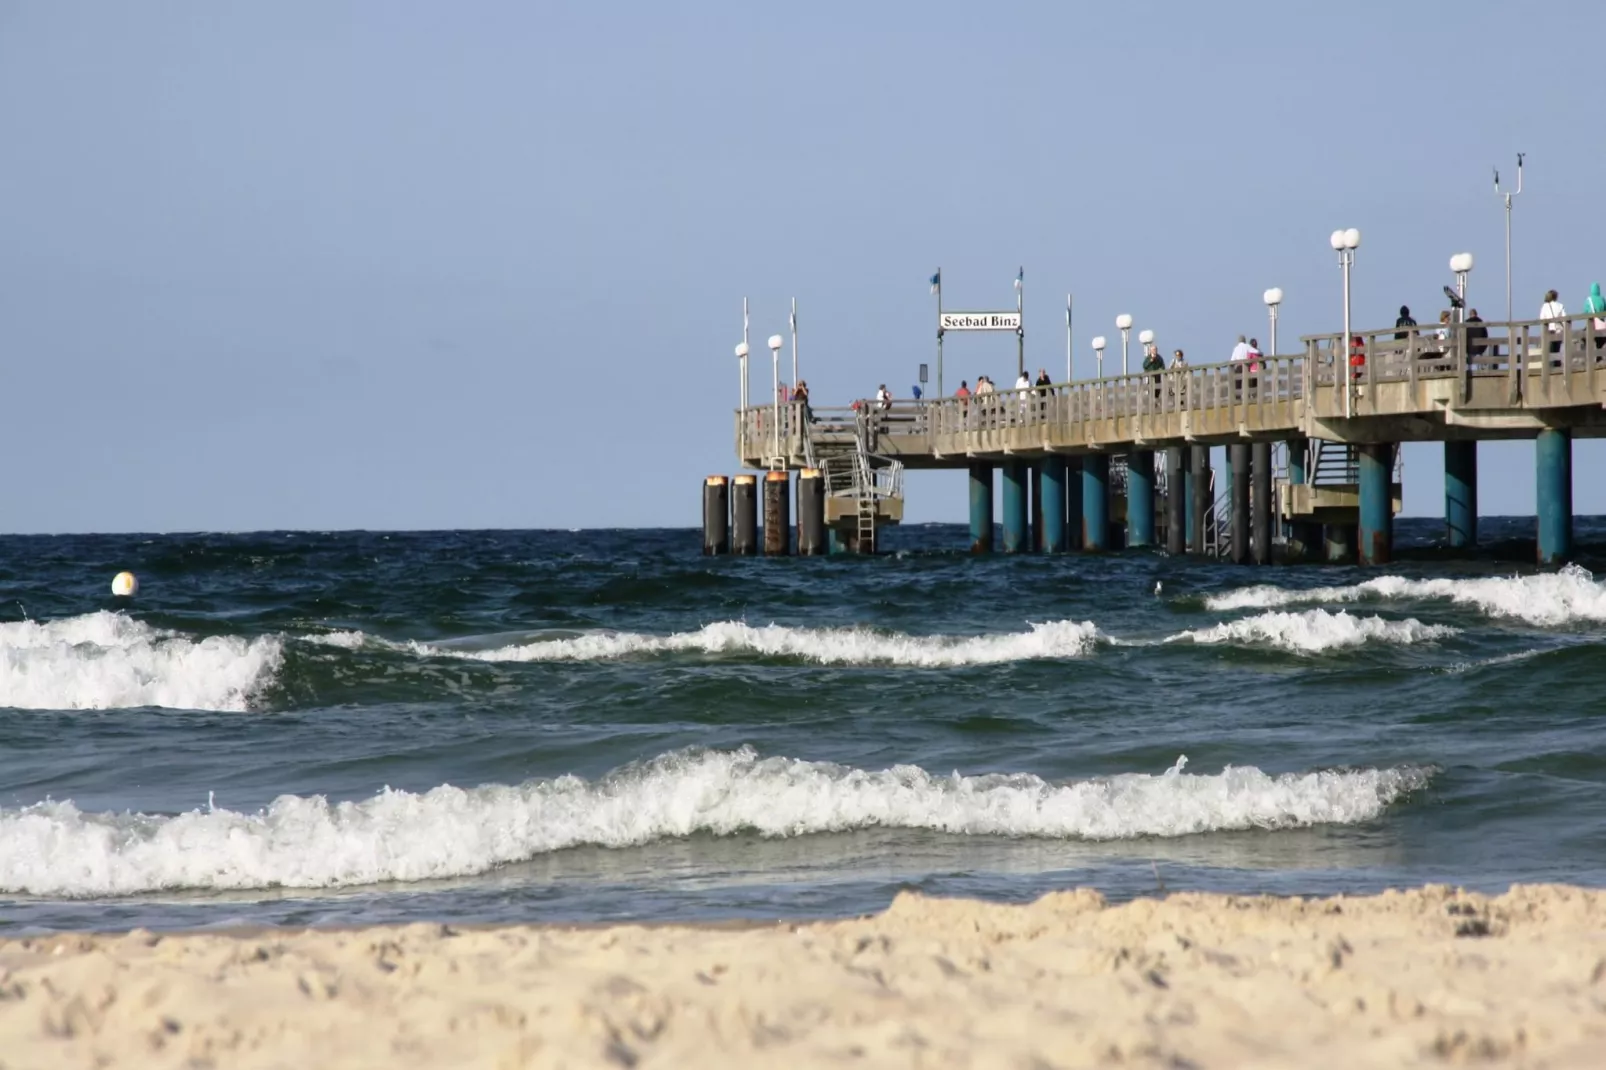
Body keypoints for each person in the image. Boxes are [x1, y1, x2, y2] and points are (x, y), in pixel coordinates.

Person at [1540, 289, 1567, 356]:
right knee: (1557, 349)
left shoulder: (1545, 306)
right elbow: (1565, 319)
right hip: (1559, 330)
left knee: (1549, 351)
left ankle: (1551, 365)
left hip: (1549, 331)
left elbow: (1542, 319)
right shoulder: (1560, 306)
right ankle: (1557, 363)